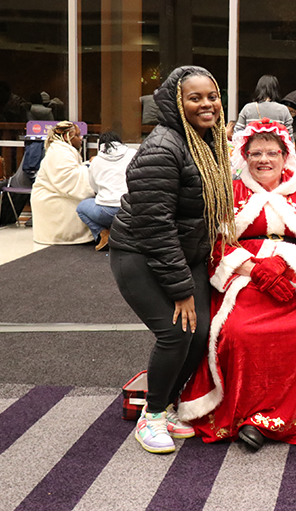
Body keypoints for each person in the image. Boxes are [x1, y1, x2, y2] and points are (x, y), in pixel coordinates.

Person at [177, 119, 296, 450]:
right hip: (244, 276)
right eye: (256, 153)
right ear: (245, 156)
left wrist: (284, 265)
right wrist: (255, 270)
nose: (264, 160)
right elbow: (216, 242)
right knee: (237, 332)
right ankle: (246, 415)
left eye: (272, 153)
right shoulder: (231, 192)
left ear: (285, 156)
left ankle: (287, 417)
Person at [108, 66, 237, 454]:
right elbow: (155, 227)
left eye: (212, 96)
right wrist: (181, 291)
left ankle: (166, 407)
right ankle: (151, 415)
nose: (207, 104)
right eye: (195, 98)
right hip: (141, 253)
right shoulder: (163, 148)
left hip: (183, 253)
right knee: (176, 332)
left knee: (200, 332)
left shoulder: (205, 141)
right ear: (176, 103)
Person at [30, 122, 94, 243]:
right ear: (66, 137)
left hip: (55, 194)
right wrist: (91, 167)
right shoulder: (59, 152)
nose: (81, 138)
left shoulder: (61, 150)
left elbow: (72, 172)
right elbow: (68, 180)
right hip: (52, 199)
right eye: (77, 135)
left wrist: (87, 165)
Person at [75, 131, 135, 251]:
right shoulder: (133, 154)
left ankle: (104, 234)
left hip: (106, 211)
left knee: (81, 208)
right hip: (131, 209)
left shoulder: (96, 161)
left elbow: (94, 186)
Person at [229, 75, 293, 140]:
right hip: (275, 146)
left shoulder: (247, 108)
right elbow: (289, 137)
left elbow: (237, 133)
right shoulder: (283, 110)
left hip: (252, 145)